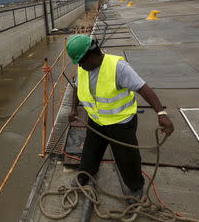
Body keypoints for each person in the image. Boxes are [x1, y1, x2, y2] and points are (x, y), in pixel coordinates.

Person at [66, 34, 174, 199]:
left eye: (81, 61)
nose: (79, 65)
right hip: (96, 121)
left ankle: (135, 187)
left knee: (127, 158)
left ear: (92, 56)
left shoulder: (118, 67)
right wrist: (74, 109)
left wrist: (161, 113)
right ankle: (85, 175)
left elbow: (143, 88)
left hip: (121, 124)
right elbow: (76, 88)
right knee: (90, 151)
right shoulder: (84, 68)